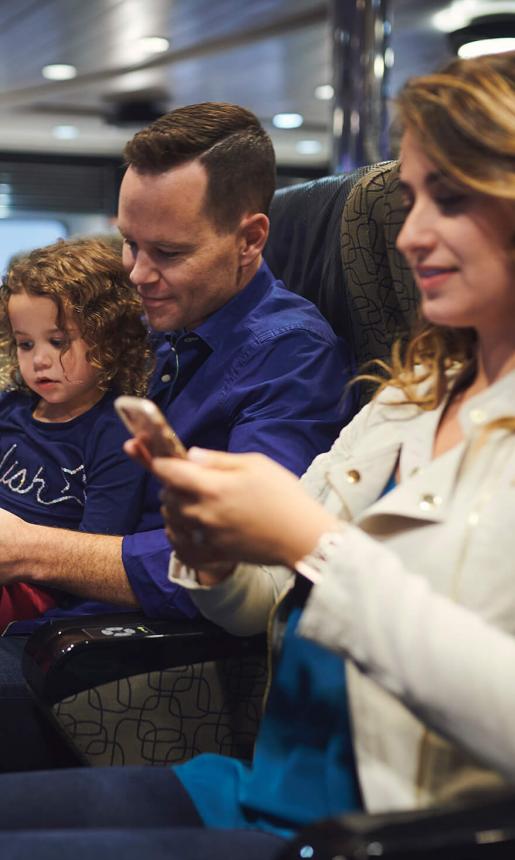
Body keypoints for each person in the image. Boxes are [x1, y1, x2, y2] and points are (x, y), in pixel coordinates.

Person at [0, 49, 512, 860]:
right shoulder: (404, 399)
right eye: (409, 200)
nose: (408, 236)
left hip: (378, 825)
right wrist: (214, 553)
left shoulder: (290, 350)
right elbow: (255, 598)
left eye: (447, 200)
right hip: (258, 782)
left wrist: (309, 543)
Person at [0, 103, 352, 769]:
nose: (135, 273)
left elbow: (232, 562)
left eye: (168, 252)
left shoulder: (291, 357)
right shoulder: (154, 316)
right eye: (129, 242)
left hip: (116, 649)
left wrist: (26, 550)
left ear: (249, 239)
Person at [0, 237, 152, 631]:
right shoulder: (11, 408)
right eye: (25, 344)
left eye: (58, 341)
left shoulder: (115, 434)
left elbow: (94, 549)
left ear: (108, 337)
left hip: (40, 585)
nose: (40, 360)